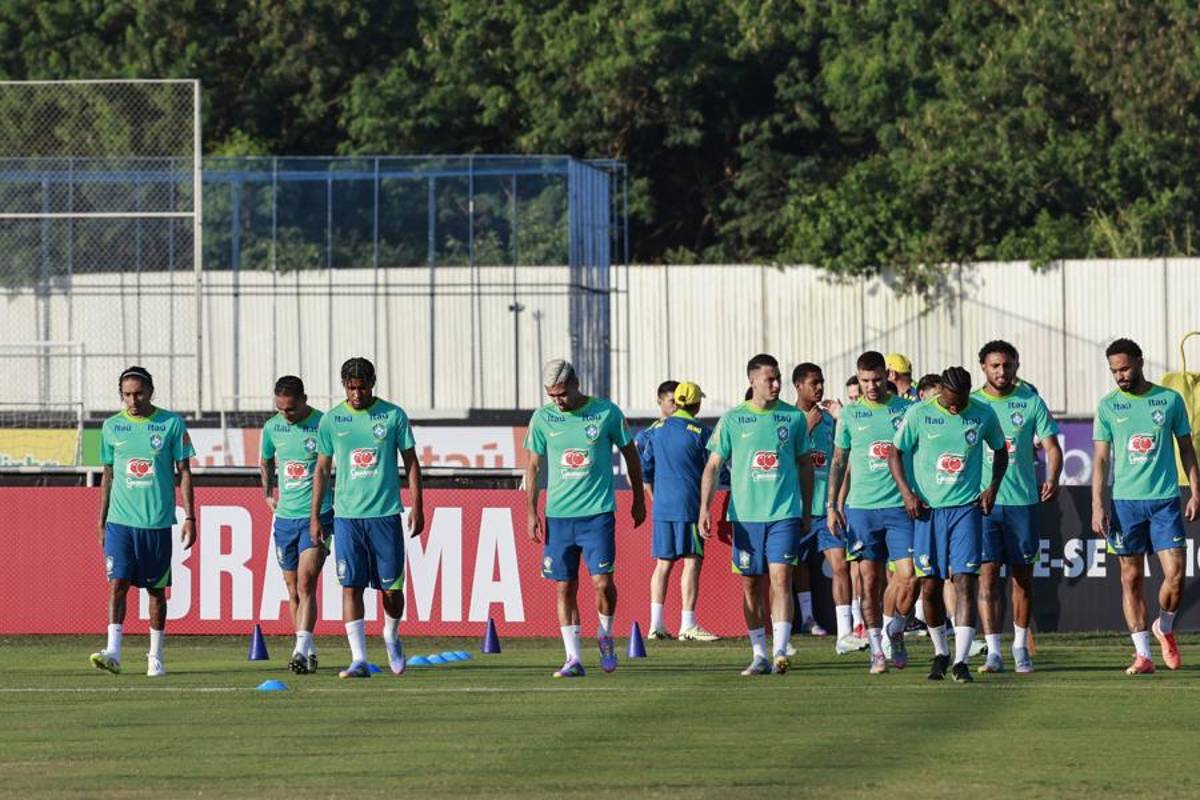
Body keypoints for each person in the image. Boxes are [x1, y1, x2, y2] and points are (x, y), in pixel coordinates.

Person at [525, 359, 647, 678]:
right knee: (564, 586)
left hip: (598, 515)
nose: (558, 401)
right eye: (551, 395)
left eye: (562, 393)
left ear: (576, 383)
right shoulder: (542, 418)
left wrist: (637, 498)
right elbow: (534, 466)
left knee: (602, 584)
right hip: (559, 517)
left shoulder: (606, 412)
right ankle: (573, 658)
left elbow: (631, 455)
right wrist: (531, 512)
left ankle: (605, 635)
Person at [890, 366, 1007, 683]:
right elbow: (895, 453)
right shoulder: (919, 413)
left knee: (966, 581)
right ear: (941, 390)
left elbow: (1000, 451)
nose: (957, 407)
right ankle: (940, 652)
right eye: (952, 400)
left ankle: (961, 661)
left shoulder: (982, 413)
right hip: (928, 511)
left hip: (966, 510)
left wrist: (993, 486)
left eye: (962, 401)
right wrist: (906, 493)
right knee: (929, 585)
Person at [311, 357, 425, 679]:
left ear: (372, 383)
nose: (356, 394)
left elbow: (411, 463)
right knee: (351, 586)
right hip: (346, 517)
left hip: (385, 515)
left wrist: (418, 505)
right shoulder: (332, 420)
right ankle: (359, 659)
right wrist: (316, 516)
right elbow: (321, 469)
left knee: (391, 592)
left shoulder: (392, 415)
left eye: (361, 387)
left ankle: (391, 635)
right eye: (350, 388)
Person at [699, 354, 813, 676]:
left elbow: (805, 465)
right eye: (769, 379)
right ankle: (759, 653)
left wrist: (805, 507)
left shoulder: (792, 418)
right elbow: (712, 467)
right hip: (746, 517)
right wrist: (704, 509)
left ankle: (780, 651)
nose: (776, 384)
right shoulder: (734, 419)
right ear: (753, 381)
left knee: (781, 579)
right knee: (751, 585)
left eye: (777, 378)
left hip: (784, 513)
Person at [1091, 338, 1200, 675]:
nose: (1120, 376)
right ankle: (1143, 655)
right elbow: (1100, 459)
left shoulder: (1169, 400)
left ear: (1139, 362)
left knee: (1176, 575)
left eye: (1124, 368)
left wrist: (1196, 491)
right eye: (1114, 371)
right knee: (1131, 577)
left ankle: (1164, 627)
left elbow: (1186, 448)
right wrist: (1097, 505)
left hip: (1165, 501)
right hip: (1125, 504)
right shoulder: (1109, 406)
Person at [91, 366, 196, 677]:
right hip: (120, 522)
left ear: (151, 392)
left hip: (157, 522)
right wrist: (101, 520)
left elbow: (185, 472)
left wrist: (190, 516)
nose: (132, 400)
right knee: (118, 583)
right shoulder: (111, 427)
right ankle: (113, 651)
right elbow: (107, 477)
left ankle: (156, 656)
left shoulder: (171, 424)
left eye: (138, 393)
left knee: (155, 592)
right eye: (126, 395)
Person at [974, 341, 1063, 674]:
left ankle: (1020, 647)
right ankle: (993, 651)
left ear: (1017, 365)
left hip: (1022, 503)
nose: (1002, 371)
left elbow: (1053, 447)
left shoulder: (1030, 402)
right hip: (983, 505)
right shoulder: (973, 404)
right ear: (983, 367)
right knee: (986, 579)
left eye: (1008, 365)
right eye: (995, 365)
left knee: (1022, 579)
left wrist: (1053, 476)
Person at [826, 351, 916, 674]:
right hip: (862, 509)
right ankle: (877, 648)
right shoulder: (850, 415)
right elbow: (838, 461)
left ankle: (897, 629)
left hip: (900, 507)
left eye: (877, 379)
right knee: (869, 581)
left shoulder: (908, 409)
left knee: (909, 577)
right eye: (864, 381)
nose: (871, 386)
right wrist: (832, 506)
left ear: (887, 376)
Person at [261, 375, 334, 674]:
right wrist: (267, 493)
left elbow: (327, 467)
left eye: (290, 409)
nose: (285, 415)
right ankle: (309, 648)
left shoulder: (323, 424)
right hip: (285, 520)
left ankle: (299, 651)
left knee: (306, 582)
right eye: (280, 409)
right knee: (292, 590)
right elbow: (265, 460)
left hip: (318, 516)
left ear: (304, 400)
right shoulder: (272, 426)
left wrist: (317, 515)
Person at [793, 362, 867, 655]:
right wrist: (805, 427)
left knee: (840, 565)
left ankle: (845, 633)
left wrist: (837, 502)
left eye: (822, 382)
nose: (820, 387)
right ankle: (797, 625)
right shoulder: (788, 418)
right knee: (787, 571)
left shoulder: (830, 421)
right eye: (814, 382)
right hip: (795, 510)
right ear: (799, 385)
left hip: (826, 509)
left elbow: (841, 461)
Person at [641, 381, 719, 642]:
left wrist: (656, 498)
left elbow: (644, 471)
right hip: (689, 505)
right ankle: (687, 624)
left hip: (663, 506)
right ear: (696, 404)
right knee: (691, 560)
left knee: (662, 564)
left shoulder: (656, 430)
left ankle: (656, 625)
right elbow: (714, 469)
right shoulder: (701, 432)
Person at [635, 380, 679, 465]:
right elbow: (632, 474)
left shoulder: (692, 433)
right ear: (659, 401)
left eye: (679, 401)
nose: (677, 405)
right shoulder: (645, 437)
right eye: (672, 401)